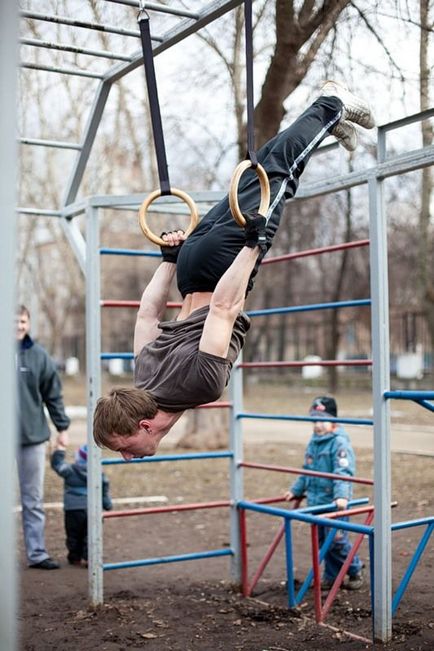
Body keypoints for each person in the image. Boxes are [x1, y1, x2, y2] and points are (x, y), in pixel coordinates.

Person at [93, 81, 375, 460]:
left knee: (280, 176)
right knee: (259, 174)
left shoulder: (201, 387)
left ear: (144, 426)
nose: (127, 458)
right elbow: (147, 313)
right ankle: (328, 124)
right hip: (189, 265)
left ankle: (331, 103)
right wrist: (167, 260)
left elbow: (224, 309)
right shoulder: (142, 378)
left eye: (125, 449)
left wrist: (252, 246)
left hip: (222, 266)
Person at [284, 396, 364, 590]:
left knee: (336, 541)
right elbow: (307, 470)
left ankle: (354, 569)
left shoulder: (339, 444)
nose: (317, 425)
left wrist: (342, 496)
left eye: (322, 420)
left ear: (334, 421)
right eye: (314, 420)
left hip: (334, 503)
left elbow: (343, 472)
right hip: (316, 503)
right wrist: (295, 490)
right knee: (322, 542)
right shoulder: (314, 442)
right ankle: (332, 576)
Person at [16, 304, 70, 569]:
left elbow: (53, 395)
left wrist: (62, 428)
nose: (18, 326)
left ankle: (37, 553)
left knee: (33, 500)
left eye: (23, 321)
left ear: (28, 323)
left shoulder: (39, 356)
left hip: (33, 438)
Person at [51, 443, 112, 566]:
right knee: (90, 534)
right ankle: (90, 558)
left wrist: (59, 451)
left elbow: (57, 465)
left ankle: (75, 557)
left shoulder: (70, 470)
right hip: (93, 508)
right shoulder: (98, 473)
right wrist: (107, 504)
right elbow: (104, 489)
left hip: (73, 509)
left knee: (73, 534)